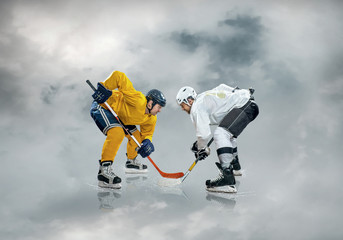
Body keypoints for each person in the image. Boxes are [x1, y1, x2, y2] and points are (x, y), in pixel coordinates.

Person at [90, 71, 166, 189]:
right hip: (104, 106)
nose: (160, 110)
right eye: (159, 107)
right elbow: (119, 76)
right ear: (151, 103)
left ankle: (131, 162)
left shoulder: (151, 118)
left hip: (122, 116)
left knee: (137, 137)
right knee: (117, 133)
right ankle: (104, 172)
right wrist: (104, 88)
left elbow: (147, 133)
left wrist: (147, 142)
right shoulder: (138, 100)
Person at [176, 84, 259, 193]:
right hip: (248, 105)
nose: (182, 108)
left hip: (244, 106)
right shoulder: (203, 97)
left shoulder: (197, 107)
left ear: (189, 101)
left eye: (182, 105)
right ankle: (235, 167)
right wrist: (239, 91)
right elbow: (222, 87)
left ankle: (227, 177)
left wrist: (201, 148)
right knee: (227, 134)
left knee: (221, 134)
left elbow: (204, 135)